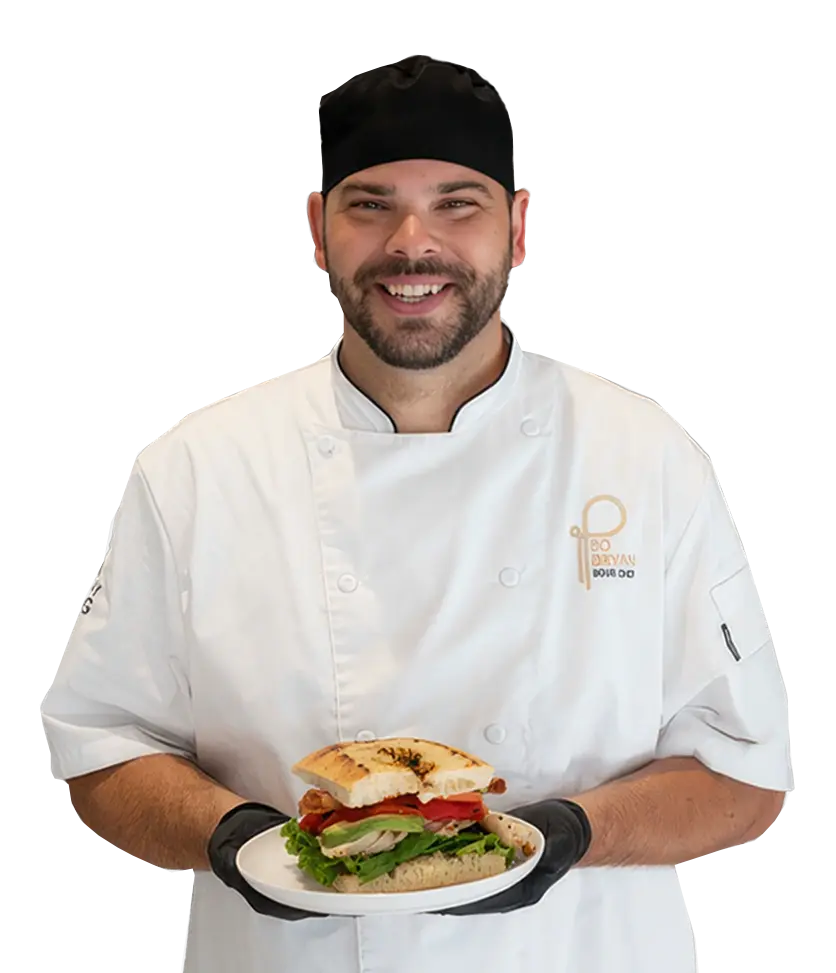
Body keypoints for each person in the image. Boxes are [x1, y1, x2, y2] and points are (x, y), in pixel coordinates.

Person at [41, 54, 792, 973]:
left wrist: (568, 832)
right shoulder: (197, 471)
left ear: (520, 226)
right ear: (316, 229)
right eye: (369, 204)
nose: (412, 242)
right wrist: (234, 838)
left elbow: (745, 777)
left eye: (457, 203)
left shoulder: (648, 461)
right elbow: (101, 747)